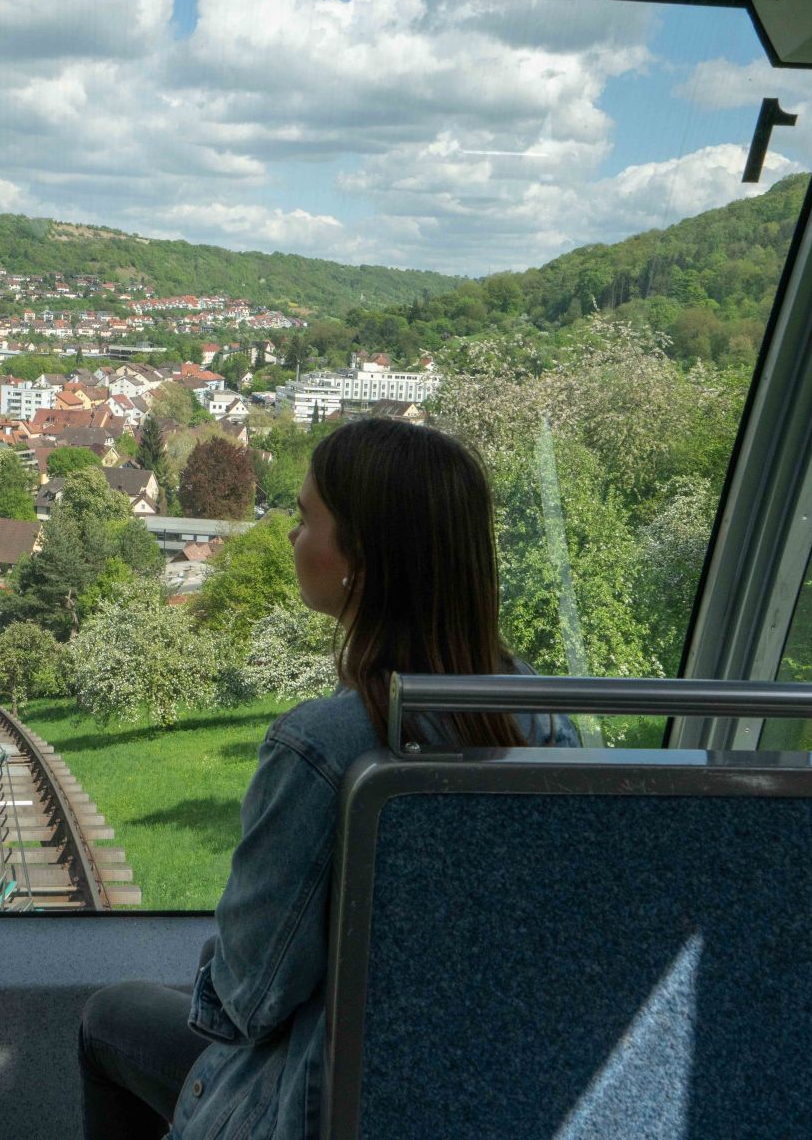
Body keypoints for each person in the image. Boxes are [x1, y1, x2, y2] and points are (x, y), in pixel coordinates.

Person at [77, 418, 579, 1140]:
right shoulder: (544, 720)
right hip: (490, 1100)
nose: (290, 535)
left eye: (306, 516)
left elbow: (248, 998)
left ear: (361, 562)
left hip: (314, 1108)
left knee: (109, 1018)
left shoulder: (324, 747)